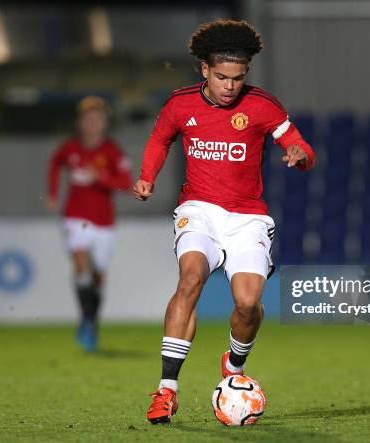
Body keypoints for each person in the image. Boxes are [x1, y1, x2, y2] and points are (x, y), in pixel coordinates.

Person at [134, 19, 316, 424]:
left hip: (247, 217)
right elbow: (160, 138)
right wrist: (148, 174)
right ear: (205, 70)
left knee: (248, 303)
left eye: (237, 77)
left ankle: (233, 367)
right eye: (221, 77)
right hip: (198, 210)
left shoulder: (263, 105)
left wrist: (300, 155)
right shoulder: (181, 104)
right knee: (190, 279)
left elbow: (299, 144)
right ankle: (166, 390)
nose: (230, 86)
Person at [47, 96, 134, 352]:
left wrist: (101, 177)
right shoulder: (70, 148)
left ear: (105, 123)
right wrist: (52, 192)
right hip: (75, 217)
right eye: (88, 119)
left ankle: (90, 320)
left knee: (98, 277)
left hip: (104, 221)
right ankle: (87, 319)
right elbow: (54, 164)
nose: (92, 123)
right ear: (80, 122)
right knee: (80, 262)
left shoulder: (112, 151)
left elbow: (126, 184)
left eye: (97, 119)